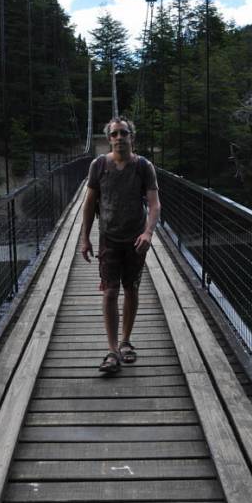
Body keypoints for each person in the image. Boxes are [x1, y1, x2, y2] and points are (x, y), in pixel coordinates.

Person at [80, 117, 160, 374]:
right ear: (109, 138)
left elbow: (154, 204)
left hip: (135, 238)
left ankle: (126, 341)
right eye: (114, 134)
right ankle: (112, 350)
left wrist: (148, 232)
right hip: (109, 238)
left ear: (131, 137)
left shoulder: (144, 166)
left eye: (123, 133)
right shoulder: (98, 165)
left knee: (131, 289)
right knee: (110, 292)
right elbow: (89, 204)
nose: (118, 138)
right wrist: (84, 238)